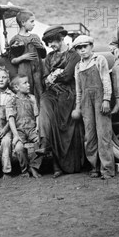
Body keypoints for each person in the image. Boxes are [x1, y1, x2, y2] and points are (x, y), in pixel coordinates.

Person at [35, 26, 83, 178]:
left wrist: (54, 75)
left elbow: (68, 75)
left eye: (52, 42)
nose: (51, 46)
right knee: (44, 101)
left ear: (61, 39)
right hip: (52, 92)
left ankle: (68, 165)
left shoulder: (73, 54)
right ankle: (44, 143)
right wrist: (52, 75)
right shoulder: (49, 57)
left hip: (68, 92)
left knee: (61, 113)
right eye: (48, 43)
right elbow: (45, 79)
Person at [71, 35, 115, 180]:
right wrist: (78, 107)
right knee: (89, 135)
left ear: (91, 47)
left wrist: (106, 99)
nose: (83, 50)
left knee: (103, 133)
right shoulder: (78, 66)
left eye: (85, 47)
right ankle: (94, 167)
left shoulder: (99, 60)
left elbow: (106, 80)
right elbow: (78, 90)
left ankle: (107, 169)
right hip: (85, 103)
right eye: (79, 48)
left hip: (99, 99)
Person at [7, 75, 42, 178]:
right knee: (18, 148)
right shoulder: (11, 101)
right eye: (25, 83)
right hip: (19, 130)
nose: (28, 85)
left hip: (32, 129)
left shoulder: (32, 98)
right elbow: (11, 119)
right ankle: (25, 169)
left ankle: (34, 166)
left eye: (28, 82)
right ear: (17, 87)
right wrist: (16, 135)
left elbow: (37, 114)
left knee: (42, 142)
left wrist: (38, 126)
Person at [8, 10, 46, 99]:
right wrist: (23, 57)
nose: (34, 24)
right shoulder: (15, 39)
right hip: (25, 73)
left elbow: (44, 55)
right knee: (27, 94)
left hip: (38, 72)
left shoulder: (35, 37)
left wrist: (40, 47)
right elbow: (12, 60)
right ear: (23, 22)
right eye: (31, 21)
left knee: (40, 92)